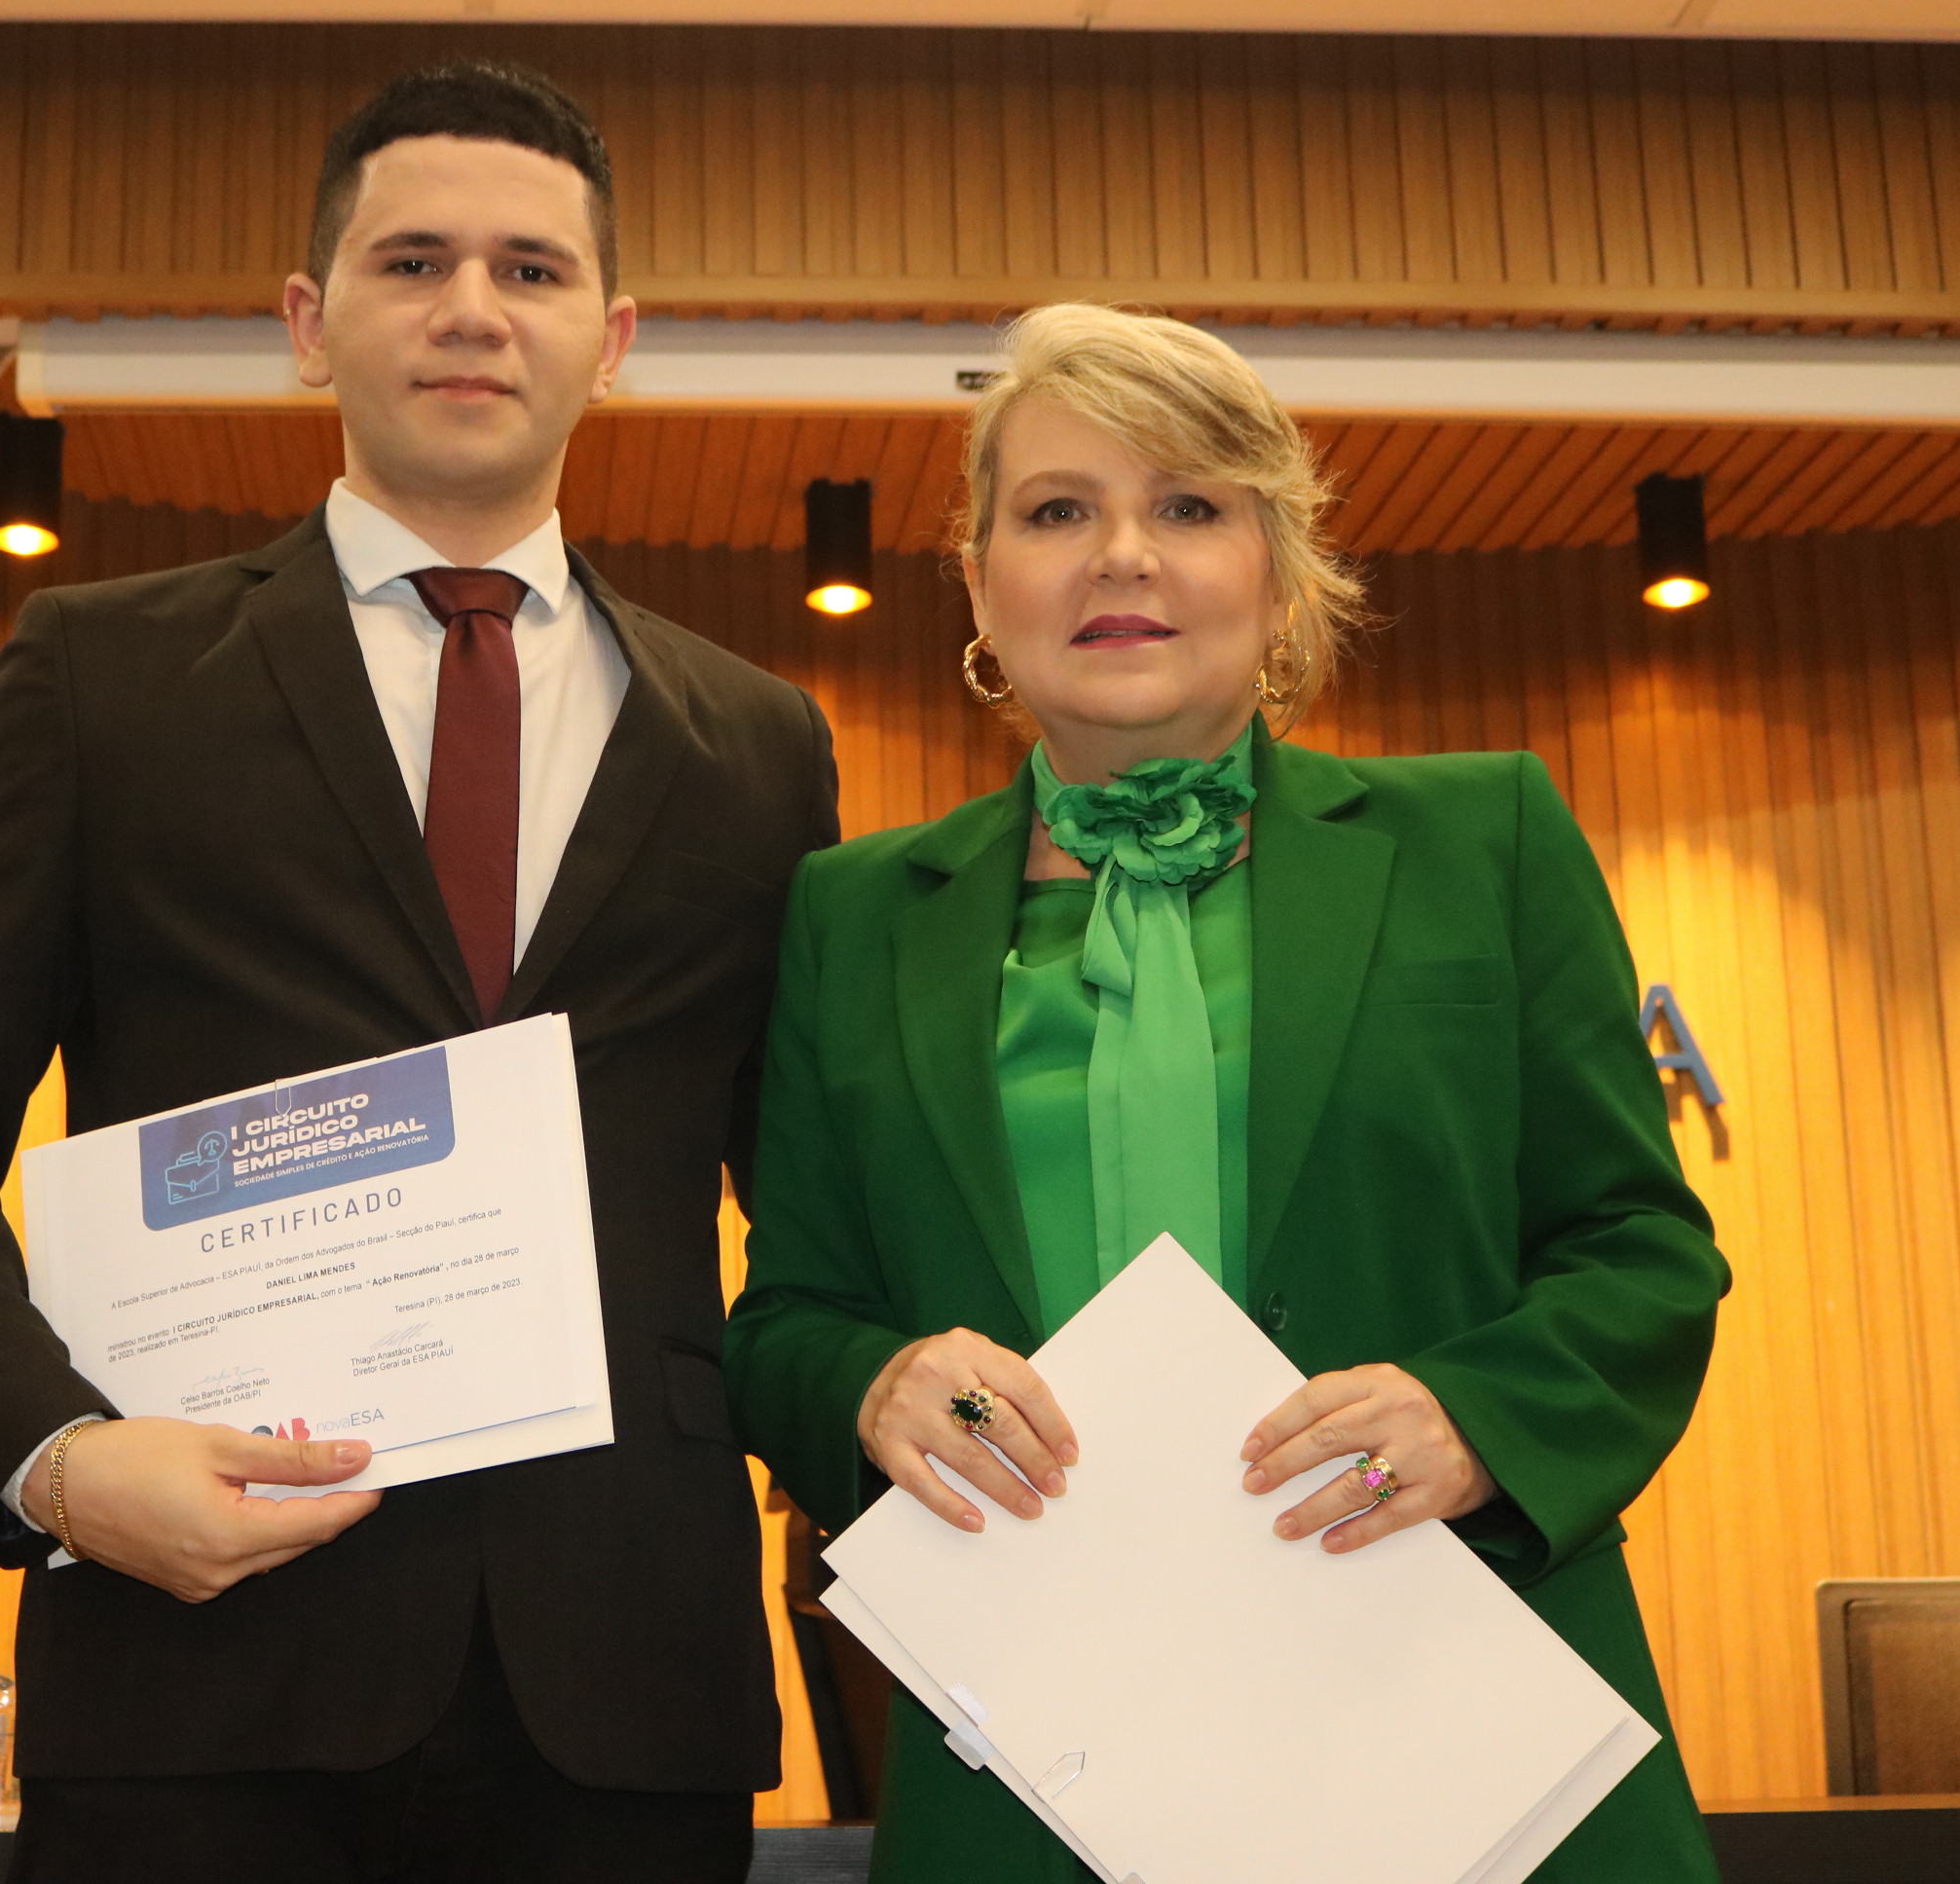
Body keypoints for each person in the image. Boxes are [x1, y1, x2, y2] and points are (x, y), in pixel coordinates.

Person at [0, 60, 838, 1883]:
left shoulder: (758, 744)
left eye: (531, 270)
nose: (471, 309)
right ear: (307, 323)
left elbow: (816, 1202)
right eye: (412, 261)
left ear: (611, 341)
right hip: (201, 1675)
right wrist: (49, 1456)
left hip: (623, 1686)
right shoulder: (101, 677)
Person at [723, 304, 1729, 1884]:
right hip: (1033, 1759)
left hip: (1458, 1704)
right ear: (981, 581)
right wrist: (875, 1385)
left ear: (1278, 574)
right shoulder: (853, 920)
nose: (1122, 556)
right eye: (1058, 510)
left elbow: (1643, 1254)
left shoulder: (1487, 844)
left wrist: (1476, 1419)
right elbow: (786, 1320)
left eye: (1190, 505)